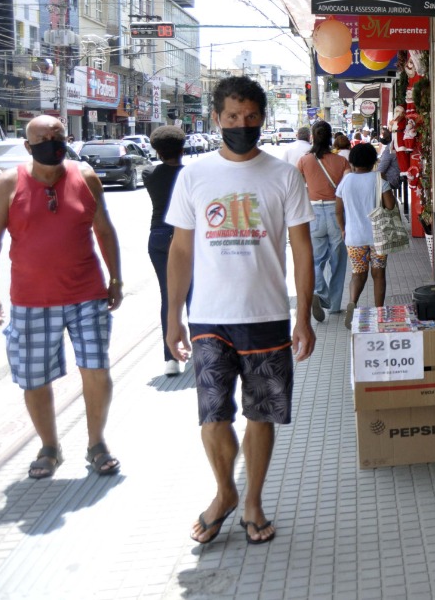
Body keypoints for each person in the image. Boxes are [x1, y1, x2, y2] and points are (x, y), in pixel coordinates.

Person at [164, 76, 316, 546]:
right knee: (212, 416)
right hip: (209, 317)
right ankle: (225, 492)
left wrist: (303, 315)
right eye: (232, 117)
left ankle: (252, 501)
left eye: (250, 118)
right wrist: (173, 318)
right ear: (216, 118)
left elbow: (302, 249)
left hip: (267, 314)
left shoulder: (284, 175)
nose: (241, 125)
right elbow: (181, 251)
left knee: (261, 414)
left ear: (262, 120)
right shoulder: (193, 175)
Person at [0, 115, 124, 479]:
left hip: (87, 294)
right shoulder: (7, 184)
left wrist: (116, 278)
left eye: (57, 136)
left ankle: (96, 444)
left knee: (96, 369)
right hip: (31, 300)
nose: (51, 142)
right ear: (28, 147)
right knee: (34, 378)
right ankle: (49, 446)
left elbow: (104, 230)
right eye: (42, 138)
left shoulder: (85, 177)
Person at [146, 125, 192, 377]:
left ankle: (170, 359)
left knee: (169, 296)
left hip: (159, 236)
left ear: (157, 151)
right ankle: (202, 348)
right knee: (195, 293)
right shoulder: (190, 174)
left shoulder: (149, 174)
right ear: (183, 149)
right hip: (187, 235)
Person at [296, 121, 350, 324]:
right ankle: (334, 305)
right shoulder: (341, 161)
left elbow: (296, 185)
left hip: (314, 213)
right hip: (337, 213)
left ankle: (320, 292)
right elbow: (347, 187)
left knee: (315, 259)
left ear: (312, 137)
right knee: (338, 260)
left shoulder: (304, 161)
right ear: (330, 138)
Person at [335, 144, 394, 328]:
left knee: (357, 274)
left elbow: (338, 211)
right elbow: (390, 205)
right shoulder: (378, 179)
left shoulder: (346, 181)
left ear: (352, 161)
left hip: (354, 236)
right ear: (373, 161)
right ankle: (378, 311)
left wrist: (343, 229)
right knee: (379, 274)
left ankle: (353, 302)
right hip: (377, 236)